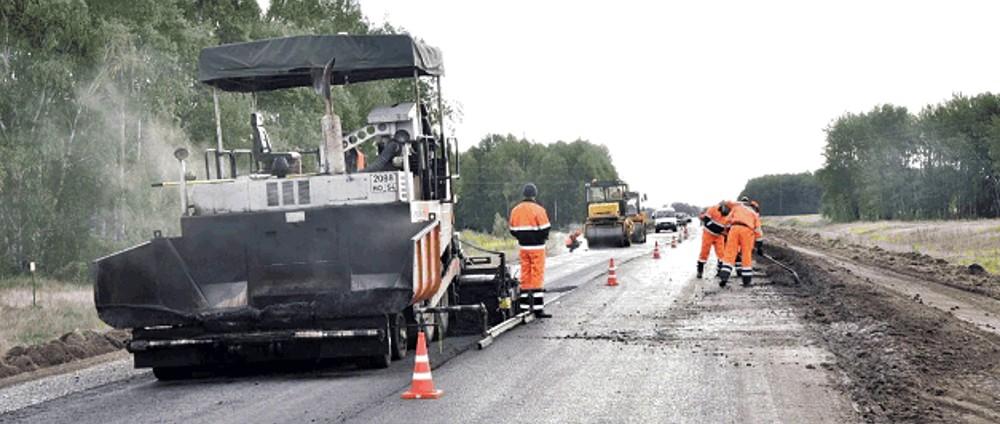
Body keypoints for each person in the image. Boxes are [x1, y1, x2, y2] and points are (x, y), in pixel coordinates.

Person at [509, 183, 552, 318]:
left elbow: (512, 230)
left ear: (524, 194)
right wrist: (540, 238)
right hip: (537, 247)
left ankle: (524, 307)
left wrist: (522, 238)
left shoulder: (515, 210)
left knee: (525, 275)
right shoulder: (539, 210)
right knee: (536, 275)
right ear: (534, 194)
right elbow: (546, 228)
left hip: (523, 247)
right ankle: (538, 308)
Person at [718, 198, 763, 287]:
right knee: (746, 254)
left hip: (734, 229)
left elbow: (727, 220)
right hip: (747, 231)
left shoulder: (737, 208)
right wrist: (759, 246)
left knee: (730, 253)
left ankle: (724, 276)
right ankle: (746, 281)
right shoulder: (754, 214)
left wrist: (726, 232)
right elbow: (758, 231)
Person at [697, 201, 730, 278]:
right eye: (723, 213)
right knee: (704, 252)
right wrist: (719, 230)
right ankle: (700, 270)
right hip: (708, 234)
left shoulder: (728, 215)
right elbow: (707, 221)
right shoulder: (712, 209)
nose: (723, 215)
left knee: (721, 254)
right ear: (721, 208)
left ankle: (720, 271)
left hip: (719, 236)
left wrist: (727, 235)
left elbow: (727, 228)